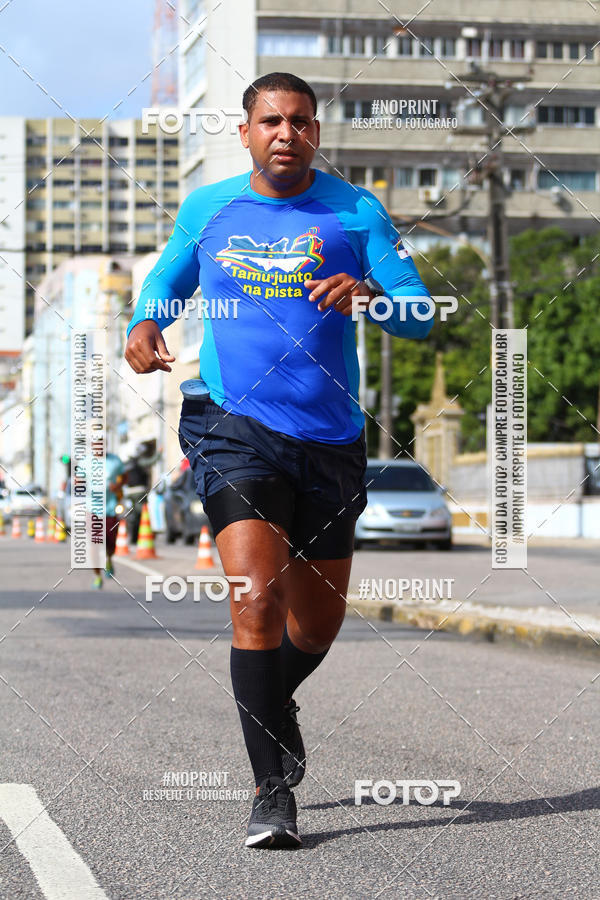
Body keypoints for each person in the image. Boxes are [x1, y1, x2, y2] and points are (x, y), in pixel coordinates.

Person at [124, 72, 433, 848]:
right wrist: (143, 322)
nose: (285, 132)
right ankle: (271, 794)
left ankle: (273, 705)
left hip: (329, 440)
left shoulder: (354, 211)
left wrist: (370, 294)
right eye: (271, 121)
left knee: (317, 626)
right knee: (254, 600)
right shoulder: (210, 208)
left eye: (299, 121)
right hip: (235, 426)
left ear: (316, 133)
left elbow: (421, 313)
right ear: (246, 132)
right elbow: (169, 278)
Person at [91, 451, 125, 590]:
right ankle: (97, 576)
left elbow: (125, 477)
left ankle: (109, 559)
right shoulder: (85, 461)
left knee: (110, 542)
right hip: (91, 509)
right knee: (94, 544)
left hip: (110, 509)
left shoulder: (115, 461)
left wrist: (117, 486)